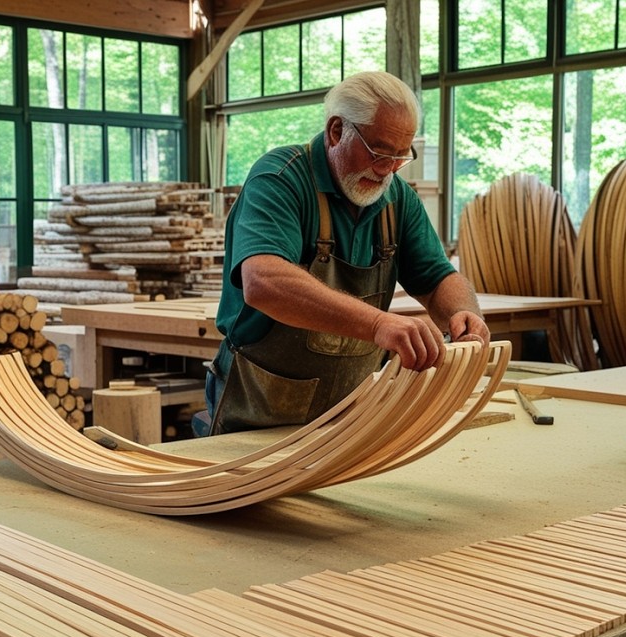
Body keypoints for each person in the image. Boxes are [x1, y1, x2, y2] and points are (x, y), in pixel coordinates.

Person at [199, 71, 491, 436]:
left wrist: (462, 314)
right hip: (259, 407)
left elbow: (436, 280)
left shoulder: (396, 199)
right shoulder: (280, 178)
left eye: (401, 157)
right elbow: (264, 281)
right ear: (337, 131)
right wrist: (378, 324)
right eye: (379, 152)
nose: (388, 170)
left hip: (350, 415)